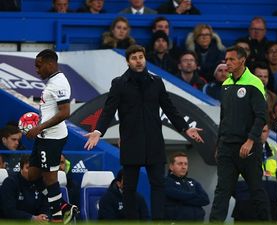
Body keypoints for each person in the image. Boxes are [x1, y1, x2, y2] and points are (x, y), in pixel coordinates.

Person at [84, 45, 204, 220]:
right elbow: (108, 110)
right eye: (134, 58)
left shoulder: (156, 82)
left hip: (154, 142)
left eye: (141, 56)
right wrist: (98, 131)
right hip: (131, 142)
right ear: (127, 61)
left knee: (158, 186)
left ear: (145, 58)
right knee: (130, 188)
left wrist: (185, 127)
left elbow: (169, 108)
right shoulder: (119, 83)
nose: (138, 60)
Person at [209, 46, 270, 222]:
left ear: (242, 61)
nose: (227, 63)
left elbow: (261, 116)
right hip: (227, 147)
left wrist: (250, 141)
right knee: (222, 192)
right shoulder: (226, 84)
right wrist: (219, 144)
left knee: (256, 190)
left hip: (248, 148)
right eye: (226, 59)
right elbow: (224, 117)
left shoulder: (254, 82)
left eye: (231, 60)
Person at [25, 49, 77, 224]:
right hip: (44, 135)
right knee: (32, 175)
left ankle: (57, 217)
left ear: (50, 64)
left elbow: (65, 112)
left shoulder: (59, 83)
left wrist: (39, 127)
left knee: (49, 177)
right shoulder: (53, 82)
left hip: (52, 137)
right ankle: (64, 206)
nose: (37, 70)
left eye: (39, 66)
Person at [232, 125, 277, 221]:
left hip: (269, 204)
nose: (260, 134)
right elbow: (230, 179)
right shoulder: (239, 150)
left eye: (264, 131)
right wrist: (242, 197)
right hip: (245, 205)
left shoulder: (274, 151)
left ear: (268, 132)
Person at [0, 155, 50, 222]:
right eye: (28, 168)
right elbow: (9, 211)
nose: (31, 172)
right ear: (21, 168)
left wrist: (45, 217)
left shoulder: (42, 184)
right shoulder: (10, 182)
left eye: (34, 169)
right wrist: (32, 218)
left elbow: (46, 206)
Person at [164, 152, 209, 221]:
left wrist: (181, 200)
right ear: (171, 166)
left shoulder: (193, 182)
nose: (184, 167)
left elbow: (205, 200)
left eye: (186, 164)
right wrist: (195, 195)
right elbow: (175, 194)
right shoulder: (166, 181)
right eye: (180, 164)